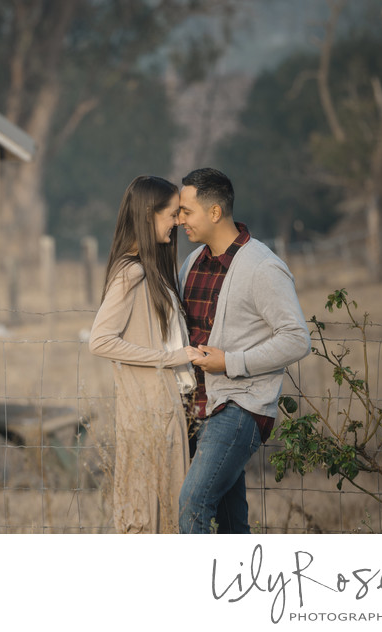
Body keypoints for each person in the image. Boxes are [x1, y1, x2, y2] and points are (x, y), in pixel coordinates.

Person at [176, 167, 311, 534]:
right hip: (199, 408)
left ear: (215, 212)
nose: (179, 219)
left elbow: (297, 338)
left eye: (186, 211)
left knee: (192, 505)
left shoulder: (263, 267)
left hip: (242, 408)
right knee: (233, 524)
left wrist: (231, 362)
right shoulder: (191, 264)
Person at [89, 175, 200, 533]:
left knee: (167, 513)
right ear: (149, 215)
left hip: (164, 408)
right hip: (149, 413)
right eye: (171, 214)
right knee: (148, 516)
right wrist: (172, 357)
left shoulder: (149, 271)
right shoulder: (131, 272)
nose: (178, 222)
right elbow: (101, 340)